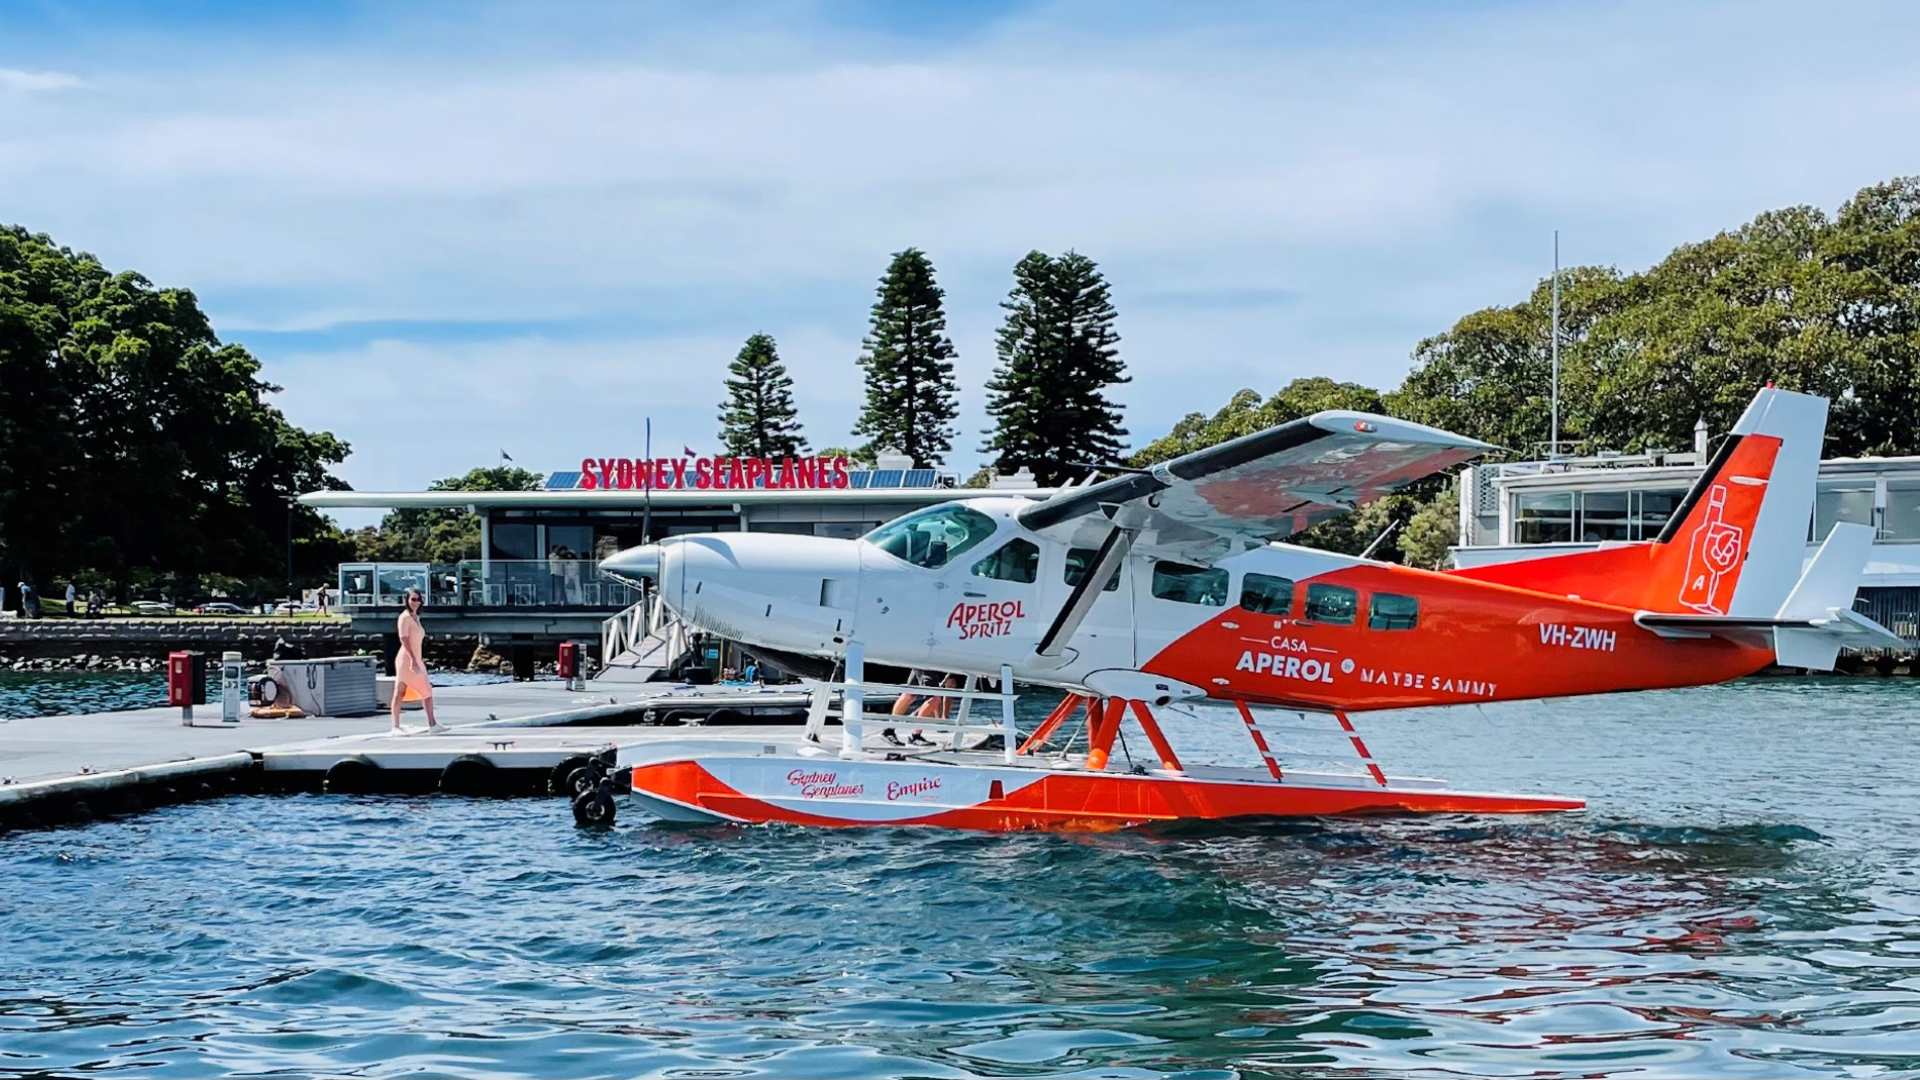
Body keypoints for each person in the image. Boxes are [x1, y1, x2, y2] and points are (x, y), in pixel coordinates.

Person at [391, 588, 445, 734]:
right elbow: (404, 638)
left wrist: (417, 659)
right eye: (413, 599)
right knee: (401, 691)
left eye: (418, 599)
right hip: (407, 659)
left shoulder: (416, 617)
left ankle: (432, 724)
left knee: (423, 689)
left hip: (416, 658)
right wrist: (413, 660)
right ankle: (396, 726)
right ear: (407, 600)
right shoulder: (404, 617)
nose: (416, 602)